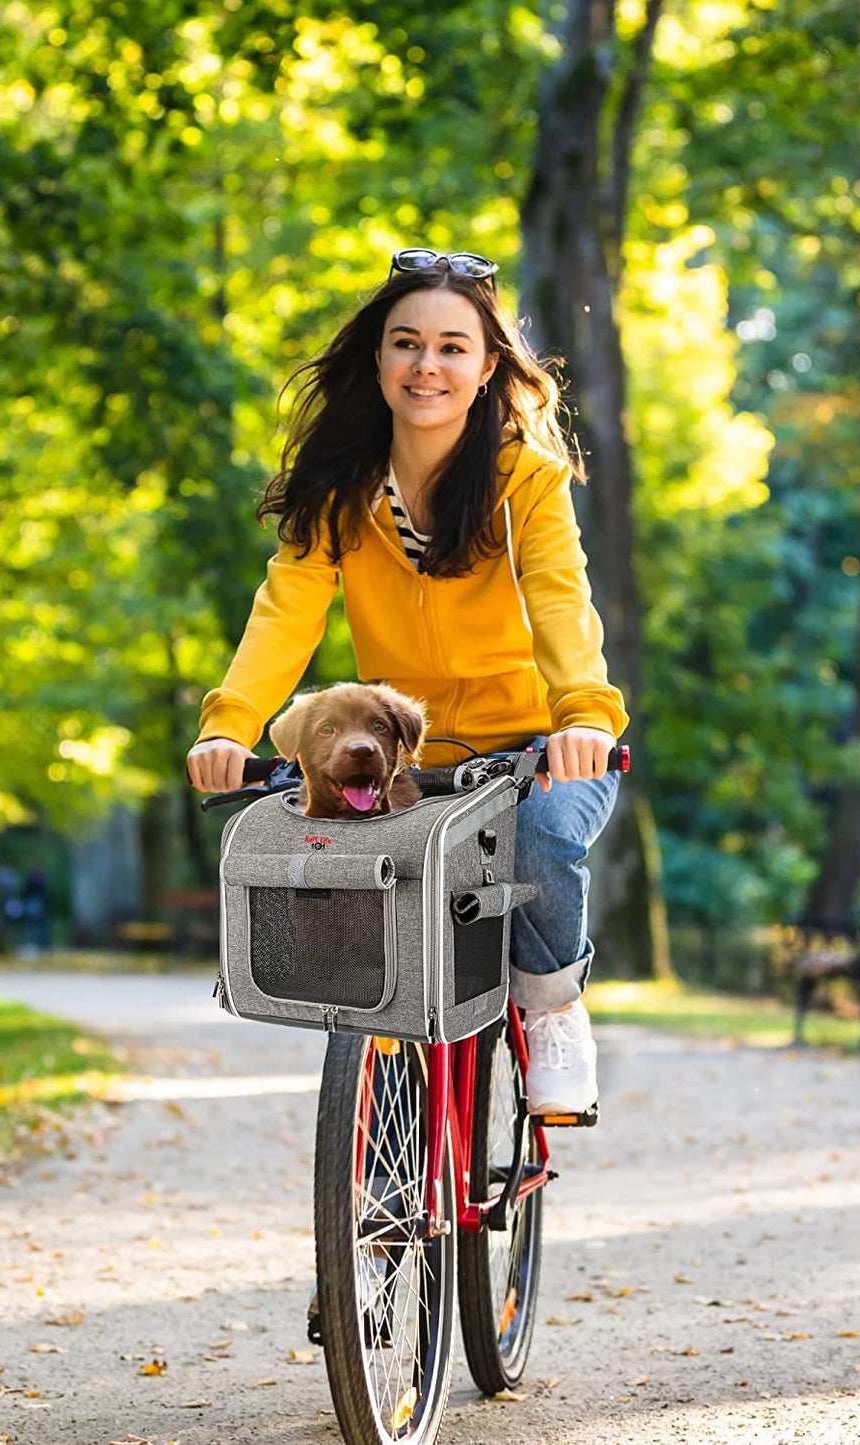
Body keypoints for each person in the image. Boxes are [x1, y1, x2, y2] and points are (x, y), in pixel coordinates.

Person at [186, 247, 627, 1115]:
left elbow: (560, 602)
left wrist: (580, 714)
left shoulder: (526, 483)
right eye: (406, 343)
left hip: (538, 750)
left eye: (453, 346)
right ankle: (386, 1129)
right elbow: (285, 613)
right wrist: (228, 725)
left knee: (539, 836)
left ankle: (551, 1006)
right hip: (404, 756)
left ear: (487, 364)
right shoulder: (338, 495)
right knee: (358, 875)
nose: (427, 365)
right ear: (378, 359)